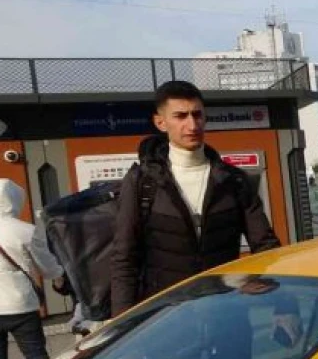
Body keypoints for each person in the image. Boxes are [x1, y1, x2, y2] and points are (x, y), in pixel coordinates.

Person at [111, 81, 280, 317]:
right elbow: (124, 259)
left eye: (197, 115)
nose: (192, 124)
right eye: (180, 116)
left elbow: (266, 247)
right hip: (165, 320)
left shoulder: (233, 180)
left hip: (227, 314)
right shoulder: (142, 182)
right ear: (160, 122)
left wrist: (282, 308)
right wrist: (121, 326)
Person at [0, 179, 65, 359]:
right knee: (36, 356)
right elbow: (47, 265)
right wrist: (58, 279)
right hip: (21, 306)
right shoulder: (24, 230)